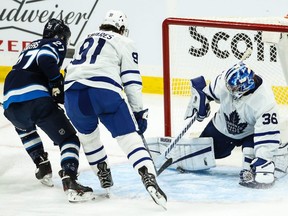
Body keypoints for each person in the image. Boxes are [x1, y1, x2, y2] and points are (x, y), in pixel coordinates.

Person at [64, 10, 167, 208]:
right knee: (129, 138)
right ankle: (147, 175)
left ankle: (104, 176)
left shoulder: (87, 37)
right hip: (103, 92)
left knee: (88, 138)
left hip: (73, 95)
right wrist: (138, 112)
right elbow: (131, 81)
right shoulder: (124, 42)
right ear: (121, 28)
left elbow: (70, 69)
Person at [2, 18, 95, 202]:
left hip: (8, 99)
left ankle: (41, 164)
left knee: (24, 126)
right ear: (61, 36)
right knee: (68, 139)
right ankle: (70, 178)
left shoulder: (30, 46)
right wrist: (56, 84)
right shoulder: (55, 42)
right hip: (34, 97)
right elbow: (46, 58)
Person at [184, 62, 281, 189]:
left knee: (251, 157)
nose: (228, 90)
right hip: (222, 125)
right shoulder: (226, 81)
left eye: (233, 89)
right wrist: (201, 101)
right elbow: (207, 92)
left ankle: (249, 162)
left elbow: (267, 135)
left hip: (250, 133)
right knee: (206, 154)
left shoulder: (265, 102)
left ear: (244, 87)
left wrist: (264, 159)